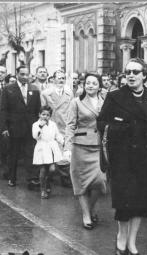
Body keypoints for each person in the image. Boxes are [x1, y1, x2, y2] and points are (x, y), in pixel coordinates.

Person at [97, 58, 147, 255]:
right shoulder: (115, 96)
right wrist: (120, 129)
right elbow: (101, 123)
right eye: (128, 72)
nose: (131, 75)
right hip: (122, 159)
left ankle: (132, 242)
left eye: (136, 72)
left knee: (140, 202)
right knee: (124, 201)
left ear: (145, 75)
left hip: (146, 159)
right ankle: (121, 238)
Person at [64, 73, 107, 230]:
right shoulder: (76, 102)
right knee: (81, 182)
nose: (90, 85)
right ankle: (86, 214)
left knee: (100, 181)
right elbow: (70, 125)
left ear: (99, 86)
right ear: (83, 85)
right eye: (87, 83)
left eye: (94, 83)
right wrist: (67, 148)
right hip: (80, 145)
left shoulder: (106, 102)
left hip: (99, 146)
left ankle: (90, 208)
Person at [0, 65, 41, 187]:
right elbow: (3, 110)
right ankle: (12, 177)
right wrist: (4, 128)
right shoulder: (8, 89)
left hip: (30, 127)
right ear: (17, 74)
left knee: (30, 152)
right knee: (14, 153)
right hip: (14, 127)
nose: (24, 77)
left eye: (26, 74)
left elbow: (38, 109)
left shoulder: (34, 89)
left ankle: (32, 178)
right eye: (22, 74)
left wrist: (39, 126)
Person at [41, 70, 74, 188]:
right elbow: (43, 112)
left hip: (65, 127)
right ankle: (47, 181)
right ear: (53, 79)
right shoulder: (46, 93)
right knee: (50, 155)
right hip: (52, 127)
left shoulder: (69, 93)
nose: (61, 80)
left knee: (65, 154)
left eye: (63, 78)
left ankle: (65, 178)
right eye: (59, 78)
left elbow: (72, 111)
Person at [32, 106, 64, 199]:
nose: (45, 116)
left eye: (47, 115)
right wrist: (40, 127)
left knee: (52, 169)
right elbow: (35, 136)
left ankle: (47, 182)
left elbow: (57, 135)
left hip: (51, 148)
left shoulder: (53, 124)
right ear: (39, 114)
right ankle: (43, 190)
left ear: (50, 116)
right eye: (43, 114)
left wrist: (63, 142)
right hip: (42, 148)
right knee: (42, 170)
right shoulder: (35, 124)